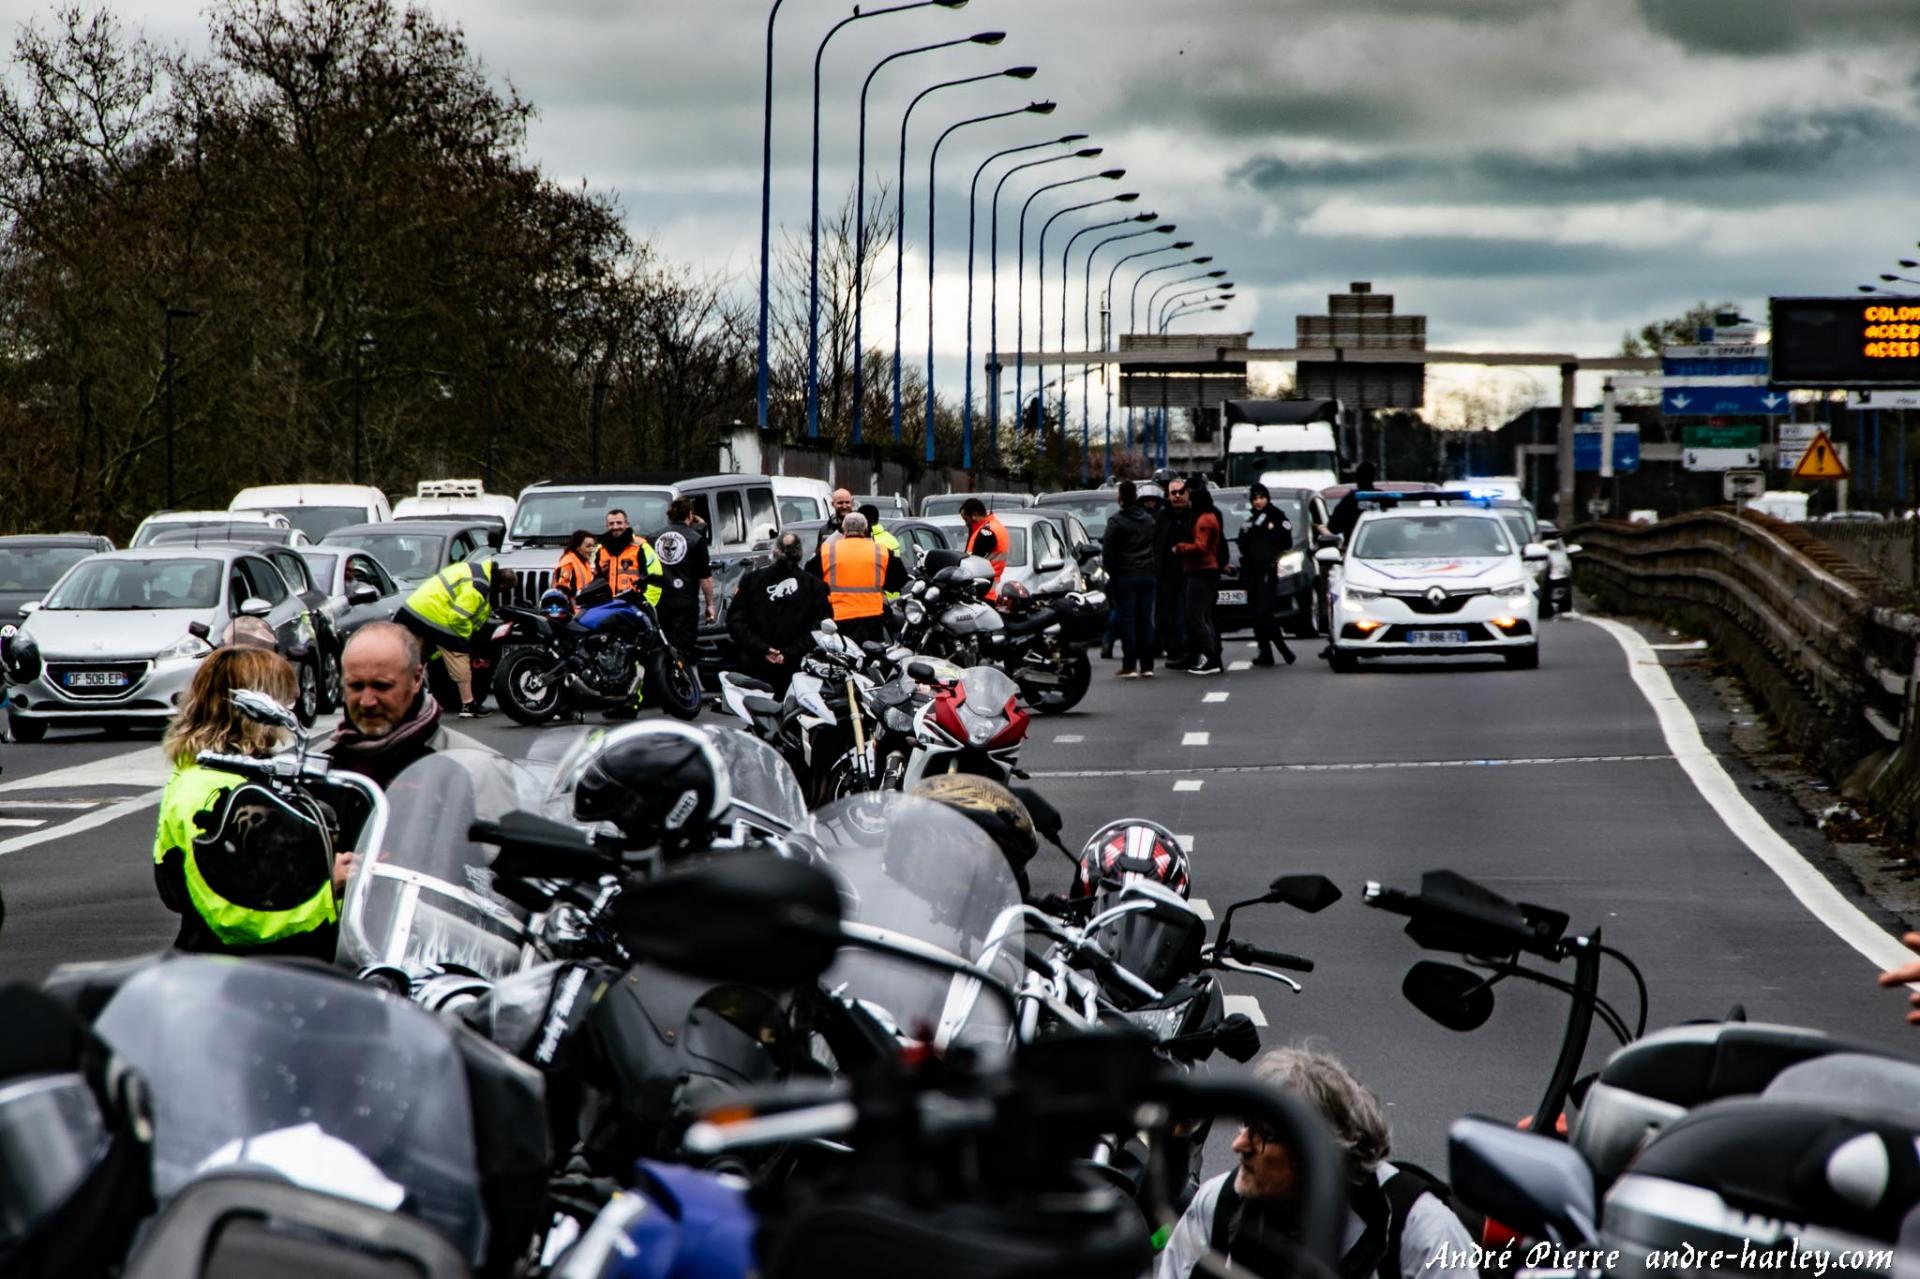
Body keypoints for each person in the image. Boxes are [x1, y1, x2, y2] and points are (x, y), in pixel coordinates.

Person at [1156, 1046, 1477, 1279]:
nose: (1239, 1144)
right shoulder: (1217, 1204)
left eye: (1264, 1135)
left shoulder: (1422, 1229)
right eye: (1245, 1124)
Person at [152, 646, 351, 960]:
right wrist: (330, 891)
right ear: (256, 710)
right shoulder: (213, 792)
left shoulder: (228, 774)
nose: (289, 712)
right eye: (283, 700)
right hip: (238, 978)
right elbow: (232, 916)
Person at [328, 622, 486, 790]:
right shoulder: (318, 762)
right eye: (356, 686)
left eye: (381, 686)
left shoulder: (474, 767)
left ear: (416, 679)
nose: (367, 702)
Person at [395, 556, 516, 718]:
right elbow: (457, 618)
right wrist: (466, 639)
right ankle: (468, 704)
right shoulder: (478, 588)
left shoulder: (476, 570)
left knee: (417, 660)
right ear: (501, 585)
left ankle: (402, 701)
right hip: (433, 614)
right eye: (504, 590)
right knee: (458, 651)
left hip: (414, 610)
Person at [730, 532, 832, 694]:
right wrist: (789, 652)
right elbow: (821, 626)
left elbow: (735, 621)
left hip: (756, 665)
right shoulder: (814, 585)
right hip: (798, 668)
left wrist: (763, 649)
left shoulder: (752, 580)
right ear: (799, 553)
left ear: (775, 551)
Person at [812, 512, 906, 647]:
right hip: (873, 618)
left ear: (843, 530)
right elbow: (898, 580)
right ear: (866, 529)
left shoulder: (827, 551)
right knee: (872, 659)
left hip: (839, 618)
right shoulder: (881, 551)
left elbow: (812, 582)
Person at [1101, 479, 1158, 679]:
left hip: (1125, 576)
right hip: (1148, 575)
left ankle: (1130, 665)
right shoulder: (1149, 521)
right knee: (1146, 621)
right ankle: (1148, 665)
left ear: (1120, 498)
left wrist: (1114, 573)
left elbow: (1108, 553)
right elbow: (1156, 548)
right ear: (1136, 497)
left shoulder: (1116, 522)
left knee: (1128, 621)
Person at [1239, 483, 1298, 668]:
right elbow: (1244, 543)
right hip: (1251, 572)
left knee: (1265, 612)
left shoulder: (1277, 515)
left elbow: (1285, 540)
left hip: (1267, 570)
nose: (1258, 502)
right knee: (1255, 614)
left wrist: (1270, 536)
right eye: (1255, 498)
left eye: (1261, 497)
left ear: (1267, 498)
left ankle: (1283, 649)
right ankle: (1265, 653)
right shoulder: (1249, 520)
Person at [652, 498, 715, 660]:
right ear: (690, 515)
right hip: (685, 602)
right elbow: (705, 578)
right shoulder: (696, 539)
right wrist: (710, 605)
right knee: (683, 649)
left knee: (660, 646)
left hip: (659, 601)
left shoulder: (653, 538)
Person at [1173, 481, 1225, 675]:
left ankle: (1210, 657)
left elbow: (1201, 546)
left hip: (1201, 571)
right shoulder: (1210, 517)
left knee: (1196, 616)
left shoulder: (1204, 520)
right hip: (1205, 570)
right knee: (1204, 616)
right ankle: (1212, 656)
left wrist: (1180, 548)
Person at [1155, 478, 1192, 668]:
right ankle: (1174, 651)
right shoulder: (1161, 518)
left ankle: (1190, 650)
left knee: (1189, 613)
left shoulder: (1194, 516)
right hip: (1166, 575)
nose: (1177, 496)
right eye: (1173, 493)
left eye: (1181, 492)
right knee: (1167, 615)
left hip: (1191, 573)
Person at [596, 508, 665, 605]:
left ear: (627, 524)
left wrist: (646, 605)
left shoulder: (641, 547)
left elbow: (656, 579)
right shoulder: (600, 550)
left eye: (619, 523)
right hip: (605, 608)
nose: (615, 527)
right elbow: (590, 581)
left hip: (633, 608)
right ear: (607, 526)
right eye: (611, 523)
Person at [959, 497, 1010, 600]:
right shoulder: (995, 526)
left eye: (966, 519)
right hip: (991, 589)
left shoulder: (985, 532)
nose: (966, 523)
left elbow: (972, 563)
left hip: (983, 591)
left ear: (975, 515)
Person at [554, 529, 599, 597]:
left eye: (593, 546)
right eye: (588, 546)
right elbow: (563, 591)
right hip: (574, 606)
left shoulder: (584, 561)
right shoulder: (568, 563)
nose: (592, 550)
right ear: (577, 547)